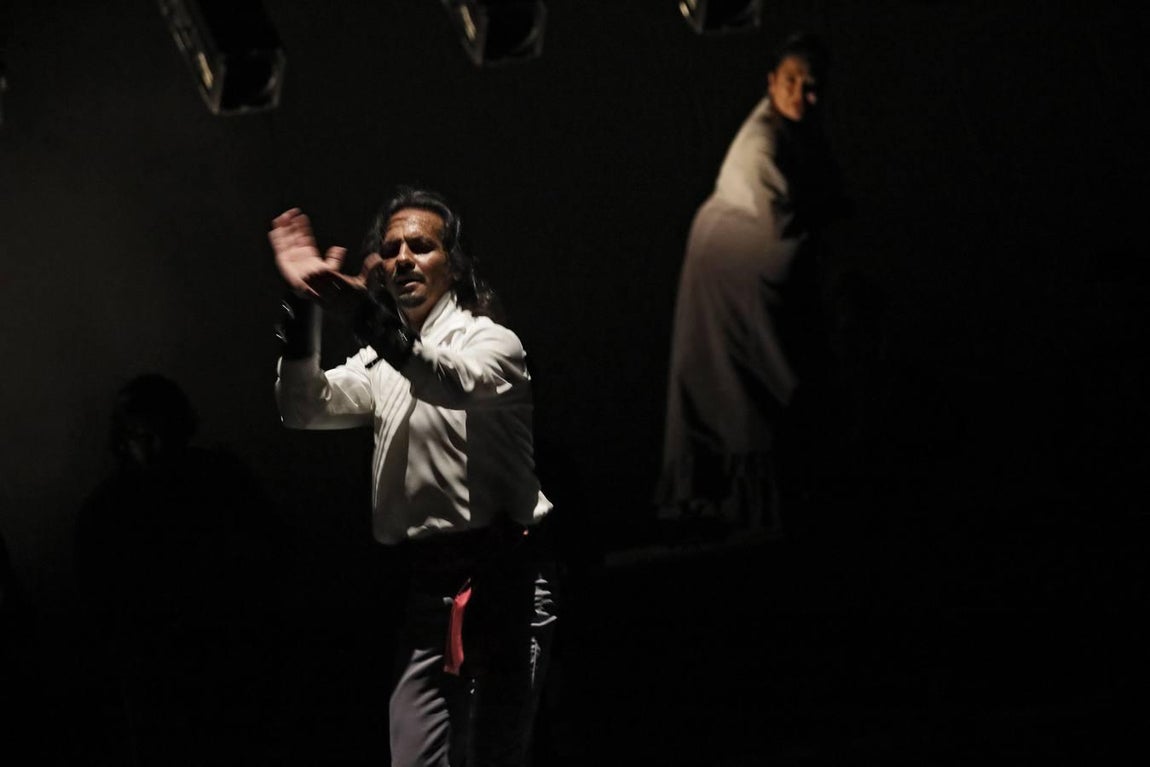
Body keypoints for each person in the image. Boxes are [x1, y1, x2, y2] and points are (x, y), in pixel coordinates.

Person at [270, 186, 558, 766]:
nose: (402, 256)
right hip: (429, 596)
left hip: (504, 586)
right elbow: (303, 408)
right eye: (392, 246)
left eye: (421, 246)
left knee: (492, 756)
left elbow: (442, 379)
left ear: (453, 264)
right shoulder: (379, 361)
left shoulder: (490, 343)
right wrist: (304, 305)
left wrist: (367, 317)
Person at [656, 32, 848, 542]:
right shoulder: (762, 142)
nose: (801, 94)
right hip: (731, 273)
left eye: (812, 86)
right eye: (791, 81)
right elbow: (781, 230)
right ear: (772, 82)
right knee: (739, 390)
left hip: (758, 268)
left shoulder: (803, 130)